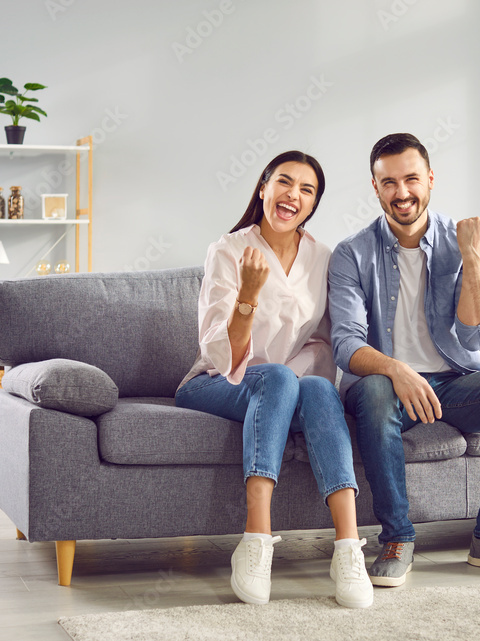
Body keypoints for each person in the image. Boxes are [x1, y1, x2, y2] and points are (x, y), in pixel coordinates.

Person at [328, 133, 480, 587]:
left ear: (430, 179)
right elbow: (346, 346)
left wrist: (470, 254)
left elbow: (474, 335)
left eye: (411, 179)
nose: (402, 192)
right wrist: (397, 369)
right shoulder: (352, 254)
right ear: (375, 188)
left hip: (454, 384)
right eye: (389, 183)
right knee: (371, 390)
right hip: (386, 389)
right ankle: (397, 538)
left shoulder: (463, 241)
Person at [175, 150, 373, 609]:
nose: (293, 195)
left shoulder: (324, 257)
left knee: (319, 386)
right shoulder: (227, 249)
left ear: (313, 203)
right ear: (263, 188)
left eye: (307, 190)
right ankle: (256, 537)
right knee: (280, 381)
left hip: (287, 385)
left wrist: (297, 384)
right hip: (215, 382)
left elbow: (322, 345)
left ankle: (348, 548)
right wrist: (247, 294)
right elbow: (218, 352)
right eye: (284, 182)